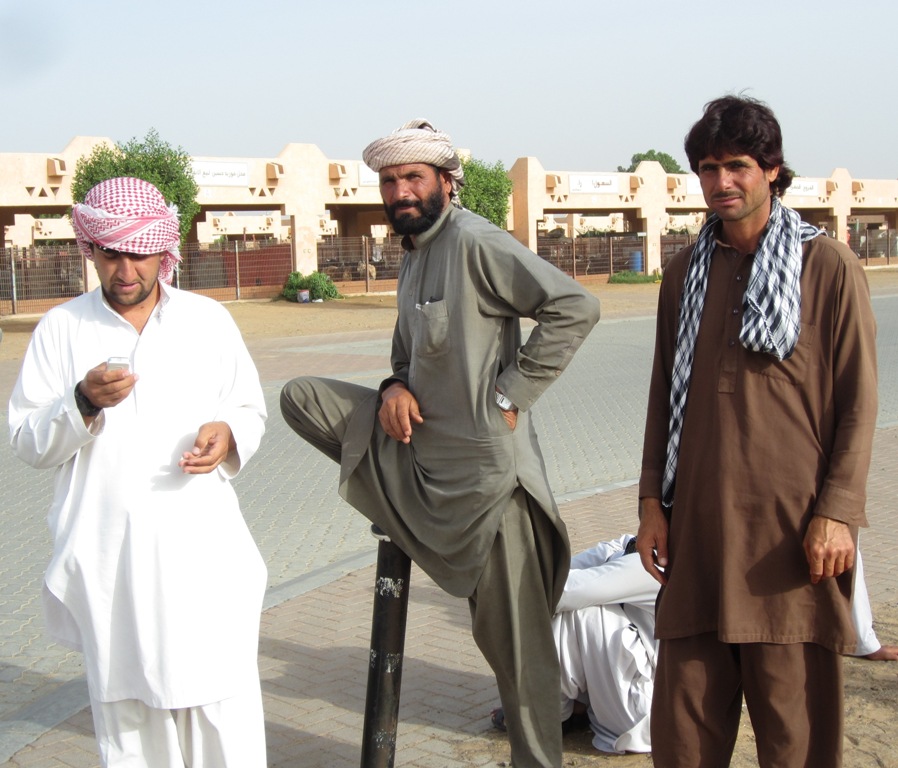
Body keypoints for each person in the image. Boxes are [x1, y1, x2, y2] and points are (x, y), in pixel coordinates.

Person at [280, 119, 601, 768]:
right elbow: (407, 354)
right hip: (421, 454)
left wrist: (512, 395)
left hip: (489, 487)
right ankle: (409, 517)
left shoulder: (475, 242)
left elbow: (575, 307)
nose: (401, 190)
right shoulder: (414, 252)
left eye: (413, 177)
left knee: (518, 657)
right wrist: (394, 385)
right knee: (300, 397)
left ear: (444, 183)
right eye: (391, 180)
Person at [636, 95, 878, 767]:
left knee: (795, 737)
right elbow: (663, 396)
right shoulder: (685, 273)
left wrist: (836, 513)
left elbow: (859, 401)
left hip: (790, 541)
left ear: (772, 170)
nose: (722, 184)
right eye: (709, 169)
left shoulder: (825, 267)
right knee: (683, 737)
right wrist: (651, 503)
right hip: (699, 537)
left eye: (737, 166)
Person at [8, 177, 268, 767]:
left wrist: (227, 434)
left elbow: (247, 407)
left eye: (139, 253)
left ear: (163, 252)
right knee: (130, 717)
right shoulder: (62, 329)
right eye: (111, 253)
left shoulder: (207, 321)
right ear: (92, 252)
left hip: (202, 550)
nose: (126, 269)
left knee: (220, 705)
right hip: (111, 559)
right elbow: (28, 441)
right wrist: (82, 401)